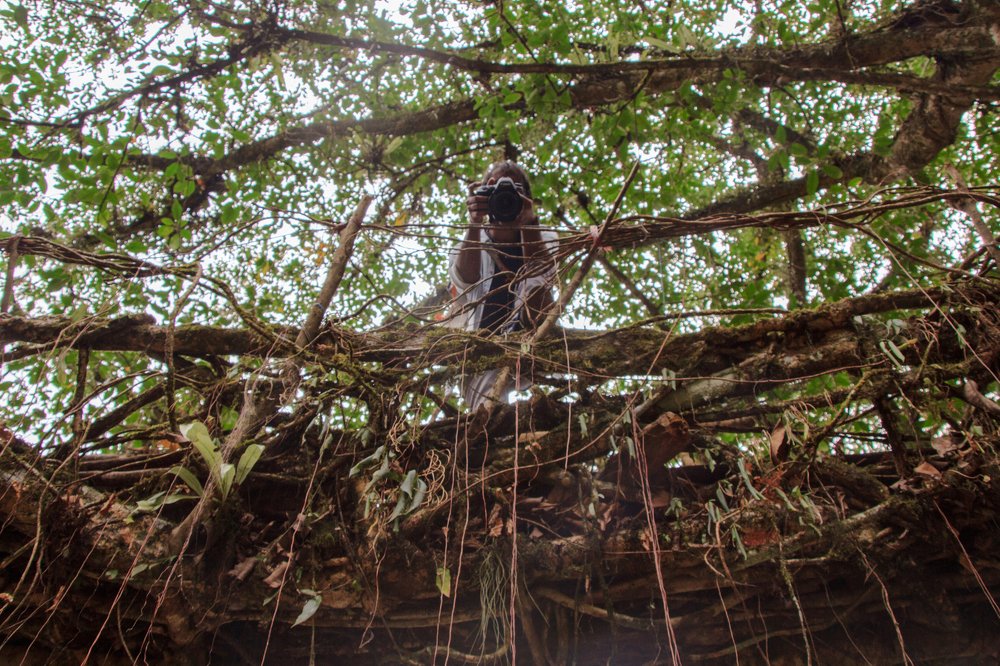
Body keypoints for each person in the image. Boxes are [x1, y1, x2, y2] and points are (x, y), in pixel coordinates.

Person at [445, 161, 559, 408]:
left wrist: (529, 225)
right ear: (482, 196)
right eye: (493, 188)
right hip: (482, 346)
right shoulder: (469, 241)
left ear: (525, 198)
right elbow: (465, 280)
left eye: (513, 190)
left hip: (535, 335)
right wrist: (474, 223)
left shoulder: (543, 235)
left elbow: (543, 275)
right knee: (486, 410)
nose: (504, 198)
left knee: (535, 277)